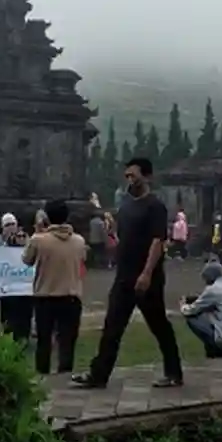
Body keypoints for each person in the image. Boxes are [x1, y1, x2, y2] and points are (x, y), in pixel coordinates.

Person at [73, 157, 183, 389]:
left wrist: (146, 273)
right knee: (112, 325)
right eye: (127, 176)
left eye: (134, 175)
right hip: (124, 276)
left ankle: (174, 372)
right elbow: (122, 237)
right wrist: (113, 235)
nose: (130, 180)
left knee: (159, 325)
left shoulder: (155, 206)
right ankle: (98, 374)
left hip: (147, 278)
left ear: (147, 176)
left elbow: (157, 241)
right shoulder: (126, 204)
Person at [22, 199, 85, 375]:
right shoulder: (78, 241)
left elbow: (26, 260)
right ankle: (65, 374)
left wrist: (38, 232)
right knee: (67, 341)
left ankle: (42, 374)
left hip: (45, 296)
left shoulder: (38, 240)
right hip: (71, 296)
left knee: (44, 341)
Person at [180, 257, 222, 358]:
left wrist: (183, 305)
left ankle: (215, 348)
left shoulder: (213, 290)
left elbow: (191, 311)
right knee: (208, 314)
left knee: (192, 318)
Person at [0, 213, 32, 344]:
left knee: (25, 312)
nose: (11, 227)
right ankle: (8, 337)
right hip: (8, 287)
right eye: (7, 225)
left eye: (13, 224)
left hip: (25, 285)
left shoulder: (24, 238)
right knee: (8, 314)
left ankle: (24, 337)